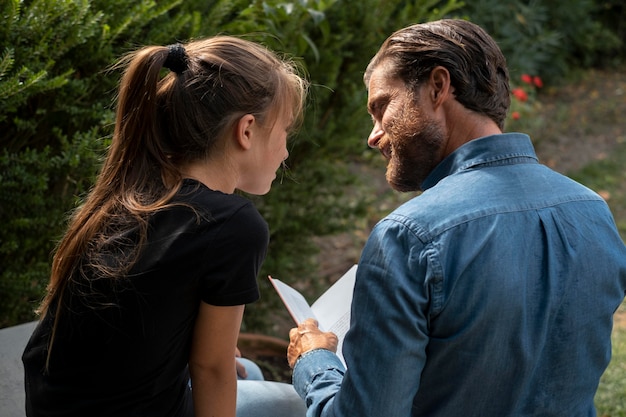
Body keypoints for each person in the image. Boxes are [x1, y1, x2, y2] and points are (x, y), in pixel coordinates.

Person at [287, 19, 626, 416]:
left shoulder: (407, 236)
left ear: (437, 86)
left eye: (381, 107)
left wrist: (315, 362)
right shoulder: (592, 210)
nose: (373, 135)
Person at [22, 36, 307, 417]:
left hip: (55, 404)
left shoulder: (134, 190)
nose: (287, 150)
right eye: (285, 130)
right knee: (297, 404)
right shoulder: (234, 226)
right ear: (247, 130)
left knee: (249, 370)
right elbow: (210, 369)